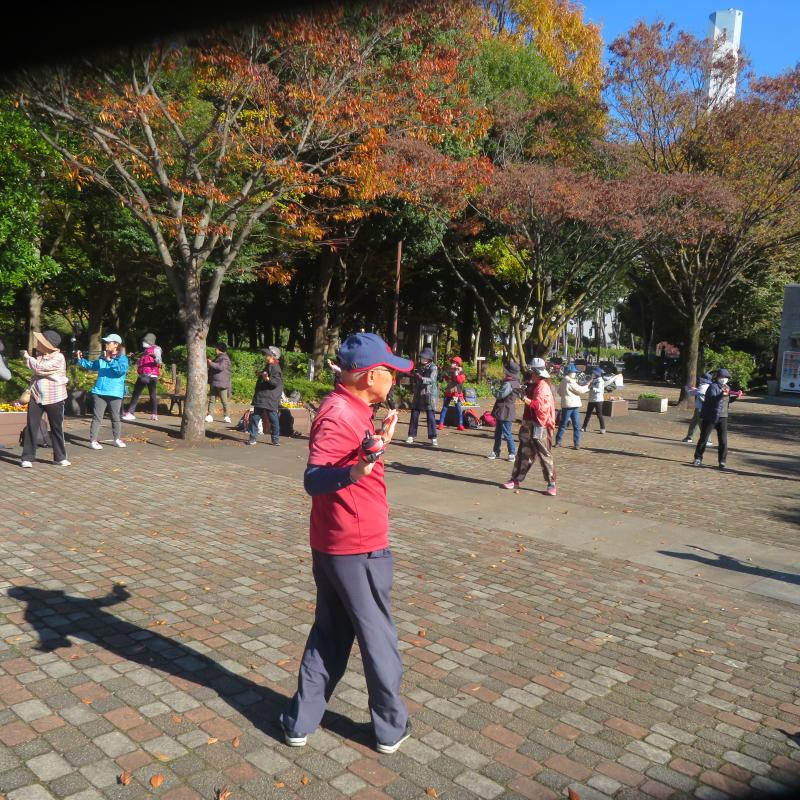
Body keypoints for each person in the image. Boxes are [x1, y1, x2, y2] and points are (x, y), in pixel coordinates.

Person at [281, 332, 413, 754]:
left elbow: (351, 456)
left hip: (338, 542)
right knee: (377, 639)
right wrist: (357, 471)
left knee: (331, 633)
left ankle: (300, 722)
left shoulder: (353, 408)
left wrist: (376, 445)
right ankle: (391, 727)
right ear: (371, 375)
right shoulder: (340, 413)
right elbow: (314, 477)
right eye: (390, 372)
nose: (394, 379)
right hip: (357, 546)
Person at [503, 358, 557, 495]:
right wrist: (523, 390)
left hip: (541, 425)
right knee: (523, 453)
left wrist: (523, 398)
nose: (530, 373)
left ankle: (552, 484)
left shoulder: (544, 386)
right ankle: (515, 479)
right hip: (528, 423)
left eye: (532, 371)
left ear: (537, 372)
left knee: (545, 454)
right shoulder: (532, 384)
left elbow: (539, 406)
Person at [20, 330, 70, 468]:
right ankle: (27, 457)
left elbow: (41, 369)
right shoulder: (39, 355)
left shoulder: (59, 357)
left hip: (55, 397)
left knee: (56, 427)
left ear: (47, 345)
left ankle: (59, 457)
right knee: (32, 426)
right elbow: (36, 370)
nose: (37, 344)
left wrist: (28, 358)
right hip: (36, 396)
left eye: (40, 341)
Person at [76, 333, 129, 450]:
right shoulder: (102, 357)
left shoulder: (122, 358)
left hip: (115, 393)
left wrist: (109, 360)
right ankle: (93, 441)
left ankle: (116, 439)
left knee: (115, 417)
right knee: (97, 418)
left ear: (116, 345)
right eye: (106, 342)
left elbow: (120, 371)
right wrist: (81, 360)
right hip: (99, 392)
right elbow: (92, 365)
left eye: (109, 342)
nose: (106, 344)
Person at [693, 368, 743, 470]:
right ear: (718, 378)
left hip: (723, 417)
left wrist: (736, 396)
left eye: (726, 377)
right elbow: (711, 400)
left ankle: (722, 461)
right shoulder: (712, 387)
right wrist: (721, 394)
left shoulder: (727, 387)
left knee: (723, 441)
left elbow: (726, 400)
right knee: (704, 438)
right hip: (711, 416)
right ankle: (698, 458)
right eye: (722, 377)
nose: (724, 379)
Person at [247, 346, 283, 446]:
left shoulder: (275, 367)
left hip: (269, 398)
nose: (265, 356)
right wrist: (261, 374)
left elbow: (275, 382)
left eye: (266, 355)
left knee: (273, 418)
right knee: (255, 417)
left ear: (272, 356)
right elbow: (266, 375)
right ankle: (252, 438)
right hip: (262, 396)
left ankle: (275, 439)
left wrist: (266, 378)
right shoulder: (269, 365)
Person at [122, 332, 162, 421]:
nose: (143, 342)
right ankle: (154, 414)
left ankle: (130, 413)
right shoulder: (146, 351)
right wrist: (133, 357)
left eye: (145, 341)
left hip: (145, 375)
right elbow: (141, 362)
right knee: (152, 394)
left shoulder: (156, 349)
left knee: (136, 393)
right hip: (152, 375)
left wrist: (154, 357)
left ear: (150, 341)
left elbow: (159, 361)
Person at [487, 361, 521, 461]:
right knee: (500, 432)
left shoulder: (508, 383)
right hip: (507, 410)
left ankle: (511, 453)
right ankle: (497, 451)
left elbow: (500, 395)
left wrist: (492, 388)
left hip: (504, 410)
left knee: (506, 432)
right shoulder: (515, 382)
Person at [405, 347, 438, 446]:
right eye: (422, 357)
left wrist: (421, 378)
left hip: (429, 395)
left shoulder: (433, 367)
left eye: (424, 357)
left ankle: (433, 437)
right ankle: (411, 436)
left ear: (429, 359)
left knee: (430, 417)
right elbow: (414, 376)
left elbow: (432, 380)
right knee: (414, 415)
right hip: (418, 394)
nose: (422, 359)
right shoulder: (418, 366)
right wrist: (411, 375)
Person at [555, 364, 588, 449]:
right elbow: (580, 390)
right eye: (574, 372)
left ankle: (558, 441)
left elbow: (559, 392)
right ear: (570, 372)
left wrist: (566, 395)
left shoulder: (563, 380)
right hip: (574, 405)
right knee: (576, 425)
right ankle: (576, 443)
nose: (575, 374)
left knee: (563, 424)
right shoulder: (570, 381)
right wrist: (588, 385)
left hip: (566, 404)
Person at [205, 341, 232, 424]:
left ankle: (227, 416)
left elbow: (220, 367)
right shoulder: (218, 357)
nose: (215, 350)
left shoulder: (225, 358)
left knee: (224, 401)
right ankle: (210, 415)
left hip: (222, 383)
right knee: (211, 400)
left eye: (216, 348)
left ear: (219, 349)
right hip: (214, 382)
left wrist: (210, 363)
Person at [437, 355, 466, 431]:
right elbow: (448, 380)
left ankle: (460, 425)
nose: (453, 364)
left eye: (455, 363)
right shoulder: (450, 370)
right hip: (449, 393)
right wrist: (444, 375)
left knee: (458, 409)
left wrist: (456, 373)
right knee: (444, 408)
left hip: (456, 394)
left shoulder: (462, 372)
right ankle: (441, 424)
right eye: (453, 362)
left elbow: (459, 381)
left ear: (458, 364)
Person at [682, 372, 713, 444]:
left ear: (703, 379)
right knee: (694, 423)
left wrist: (688, 388)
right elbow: (696, 391)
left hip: (701, 409)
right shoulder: (706, 386)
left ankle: (708, 440)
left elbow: (692, 393)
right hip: (699, 408)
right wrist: (692, 389)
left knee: (702, 425)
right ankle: (689, 437)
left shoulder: (703, 387)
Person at [582, 367, 612, 434]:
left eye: (594, 373)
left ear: (597, 374)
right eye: (593, 373)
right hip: (591, 399)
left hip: (598, 400)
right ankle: (584, 427)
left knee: (599, 415)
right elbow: (588, 385)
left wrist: (592, 388)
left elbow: (600, 390)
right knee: (588, 414)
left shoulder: (601, 381)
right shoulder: (593, 380)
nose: (592, 374)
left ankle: (603, 428)